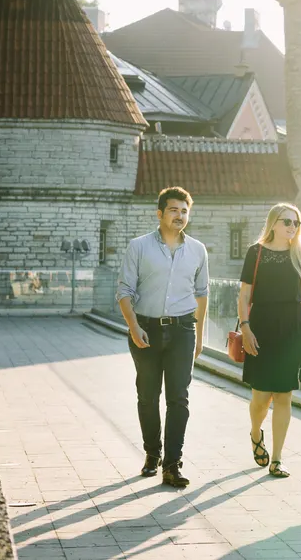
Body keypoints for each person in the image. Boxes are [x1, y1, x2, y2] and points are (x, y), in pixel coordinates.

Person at [116, 187, 208, 488]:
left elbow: (202, 294)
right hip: (146, 329)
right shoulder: (139, 247)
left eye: (184, 211)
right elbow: (124, 292)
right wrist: (133, 327)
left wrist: (200, 335)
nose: (179, 216)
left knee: (178, 398)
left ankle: (172, 465)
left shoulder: (197, 250)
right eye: (173, 210)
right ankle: (152, 454)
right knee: (147, 396)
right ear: (160, 213)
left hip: (183, 330)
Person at [238, 203, 301, 478]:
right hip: (261, 327)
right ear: (273, 224)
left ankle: (277, 458)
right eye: (286, 221)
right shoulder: (255, 253)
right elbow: (244, 296)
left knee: (283, 395)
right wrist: (245, 328)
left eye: (296, 223)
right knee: (260, 397)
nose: (292, 227)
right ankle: (256, 432)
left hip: (292, 329)